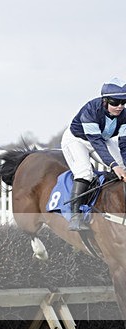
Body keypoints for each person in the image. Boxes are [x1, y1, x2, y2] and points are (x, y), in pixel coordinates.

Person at [62, 77, 126, 231]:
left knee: (124, 168)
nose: (120, 107)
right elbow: (96, 143)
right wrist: (114, 166)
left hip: (101, 139)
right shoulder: (90, 110)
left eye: (123, 103)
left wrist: (122, 166)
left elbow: (124, 143)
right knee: (85, 173)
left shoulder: (124, 114)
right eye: (115, 103)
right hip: (77, 140)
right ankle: (75, 217)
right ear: (105, 101)